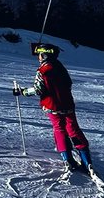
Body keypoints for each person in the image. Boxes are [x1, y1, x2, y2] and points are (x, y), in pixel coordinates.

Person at [13, 43, 93, 172]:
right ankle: (86, 160)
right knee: (73, 129)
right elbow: (68, 83)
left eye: (40, 54)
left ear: (44, 55)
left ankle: (67, 159)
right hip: (67, 104)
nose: (38, 57)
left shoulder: (43, 71)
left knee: (59, 129)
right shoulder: (60, 67)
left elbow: (39, 90)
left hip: (52, 106)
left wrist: (23, 92)